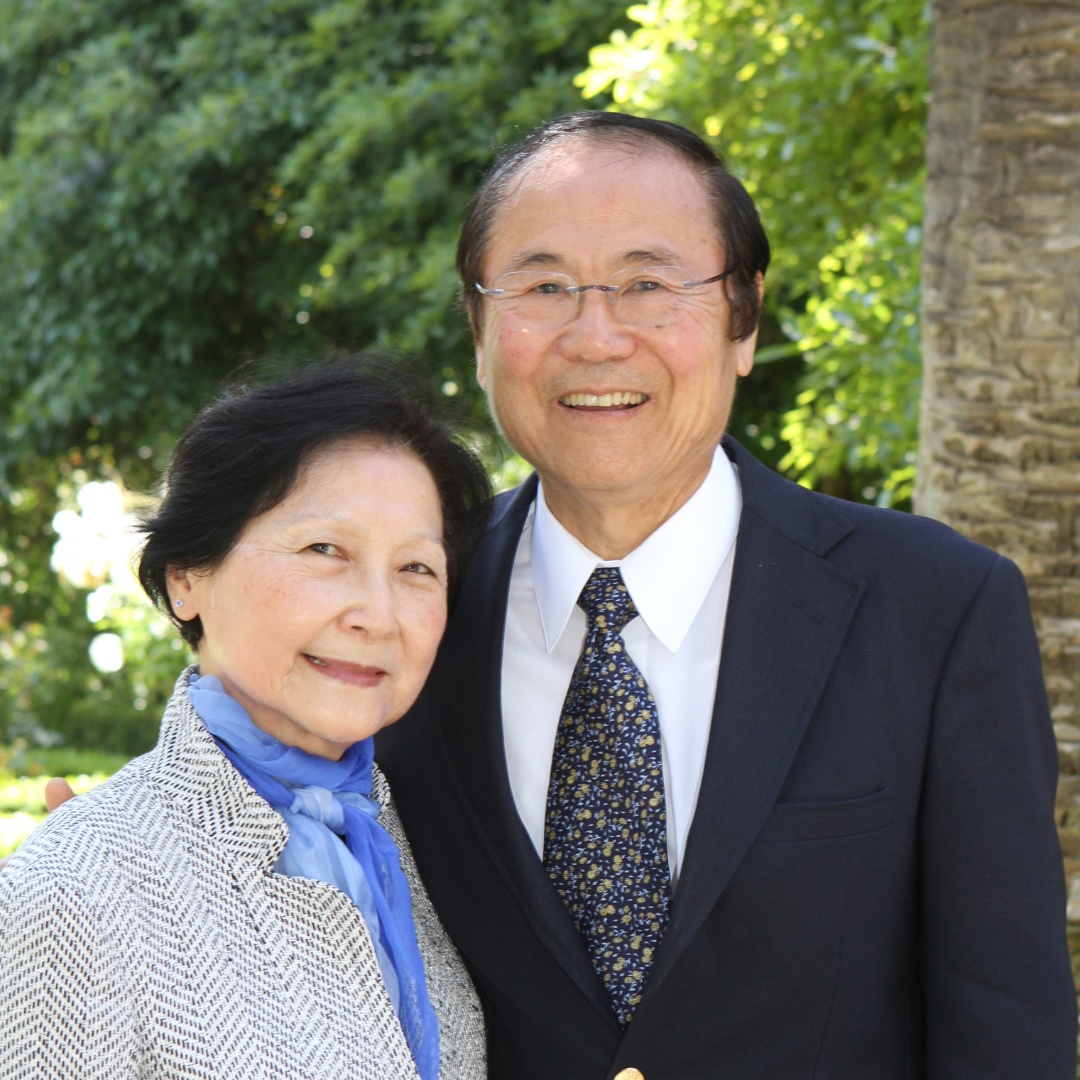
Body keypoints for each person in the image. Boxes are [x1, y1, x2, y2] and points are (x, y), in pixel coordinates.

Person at [374, 112, 1078, 1078]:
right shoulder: (401, 609)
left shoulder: (937, 611)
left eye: (649, 285)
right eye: (543, 287)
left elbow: (1008, 1029)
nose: (596, 335)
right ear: (481, 329)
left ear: (743, 320)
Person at [0, 357, 490, 1078]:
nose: (379, 617)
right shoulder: (77, 894)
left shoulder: (415, 843)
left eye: (417, 568)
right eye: (326, 550)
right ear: (187, 575)